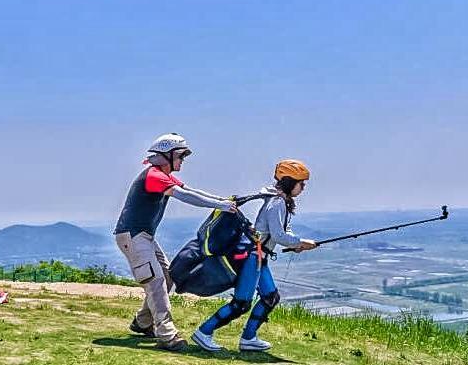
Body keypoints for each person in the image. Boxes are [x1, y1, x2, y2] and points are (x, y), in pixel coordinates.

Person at [114, 133, 237, 351]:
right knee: (156, 281)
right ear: (168, 156)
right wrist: (222, 206)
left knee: (167, 278)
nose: (182, 161)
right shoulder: (154, 176)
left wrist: (222, 202)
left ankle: (142, 323)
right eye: (180, 156)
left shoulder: (162, 175)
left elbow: (190, 191)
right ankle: (167, 334)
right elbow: (185, 196)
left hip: (144, 236)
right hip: (133, 236)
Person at [191, 159, 317, 352]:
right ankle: (204, 332)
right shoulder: (277, 203)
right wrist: (301, 243)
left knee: (270, 297)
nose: (303, 188)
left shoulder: (278, 200)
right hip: (253, 257)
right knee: (241, 303)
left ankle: (249, 338)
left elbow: (281, 231)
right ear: (291, 182)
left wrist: (297, 244)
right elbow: (278, 235)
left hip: (258, 256)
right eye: (301, 183)